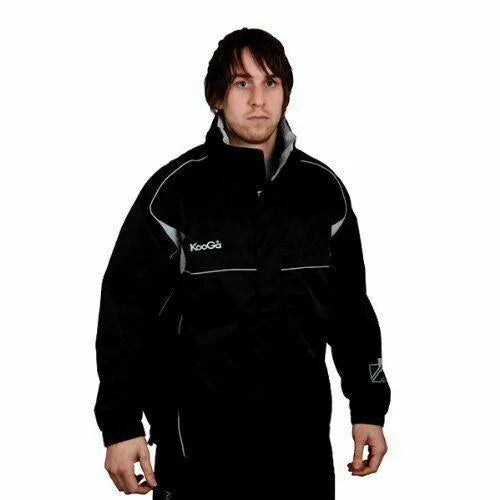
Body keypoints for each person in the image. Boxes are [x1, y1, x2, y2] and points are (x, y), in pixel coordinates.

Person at [94, 27, 391, 500]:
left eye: (270, 82)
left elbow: (352, 311)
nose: (258, 99)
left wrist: (369, 407)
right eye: (241, 83)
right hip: (199, 455)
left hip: (300, 456)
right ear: (217, 97)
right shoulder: (175, 195)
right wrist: (120, 424)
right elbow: (123, 315)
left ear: (286, 92)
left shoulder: (322, 193)